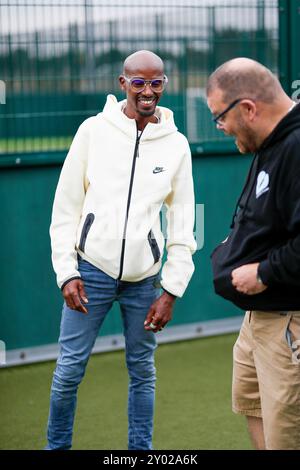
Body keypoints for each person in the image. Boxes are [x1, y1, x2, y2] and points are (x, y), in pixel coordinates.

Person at [46, 50, 196, 450]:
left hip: (144, 280)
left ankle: (139, 452)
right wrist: (68, 272)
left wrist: (171, 289)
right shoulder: (93, 131)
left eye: (156, 82)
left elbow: (184, 222)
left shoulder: (177, 145)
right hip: (89, 271)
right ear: (122, 83)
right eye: (139, 82)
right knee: (69, 371)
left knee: (143, 372)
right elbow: (65, 209)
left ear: (164, 85)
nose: (147, 91)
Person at [207, 57, 300, 450]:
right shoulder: (270, 140)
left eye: (220, 117)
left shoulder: (296, 148)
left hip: (288, 320)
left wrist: (262, 272)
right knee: (253, 406)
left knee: (287, 435)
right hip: (259, 319)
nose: (221, 127)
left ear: (247, 108)